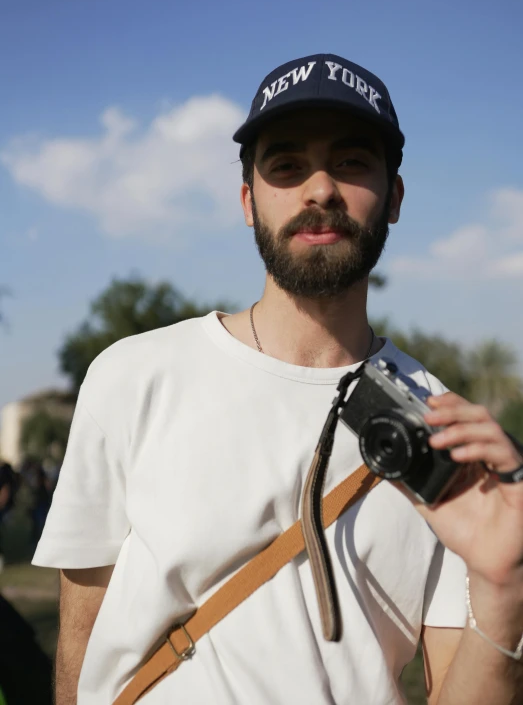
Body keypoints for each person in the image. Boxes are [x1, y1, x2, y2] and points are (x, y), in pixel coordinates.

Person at [32, 54, 523, 705]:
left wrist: (504, 587)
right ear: (247, 201)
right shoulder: (132, 377)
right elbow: (80, 644)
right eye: (286, 166)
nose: (318, 190)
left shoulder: (440, 435)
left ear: (395, 196)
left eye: (349, 161)